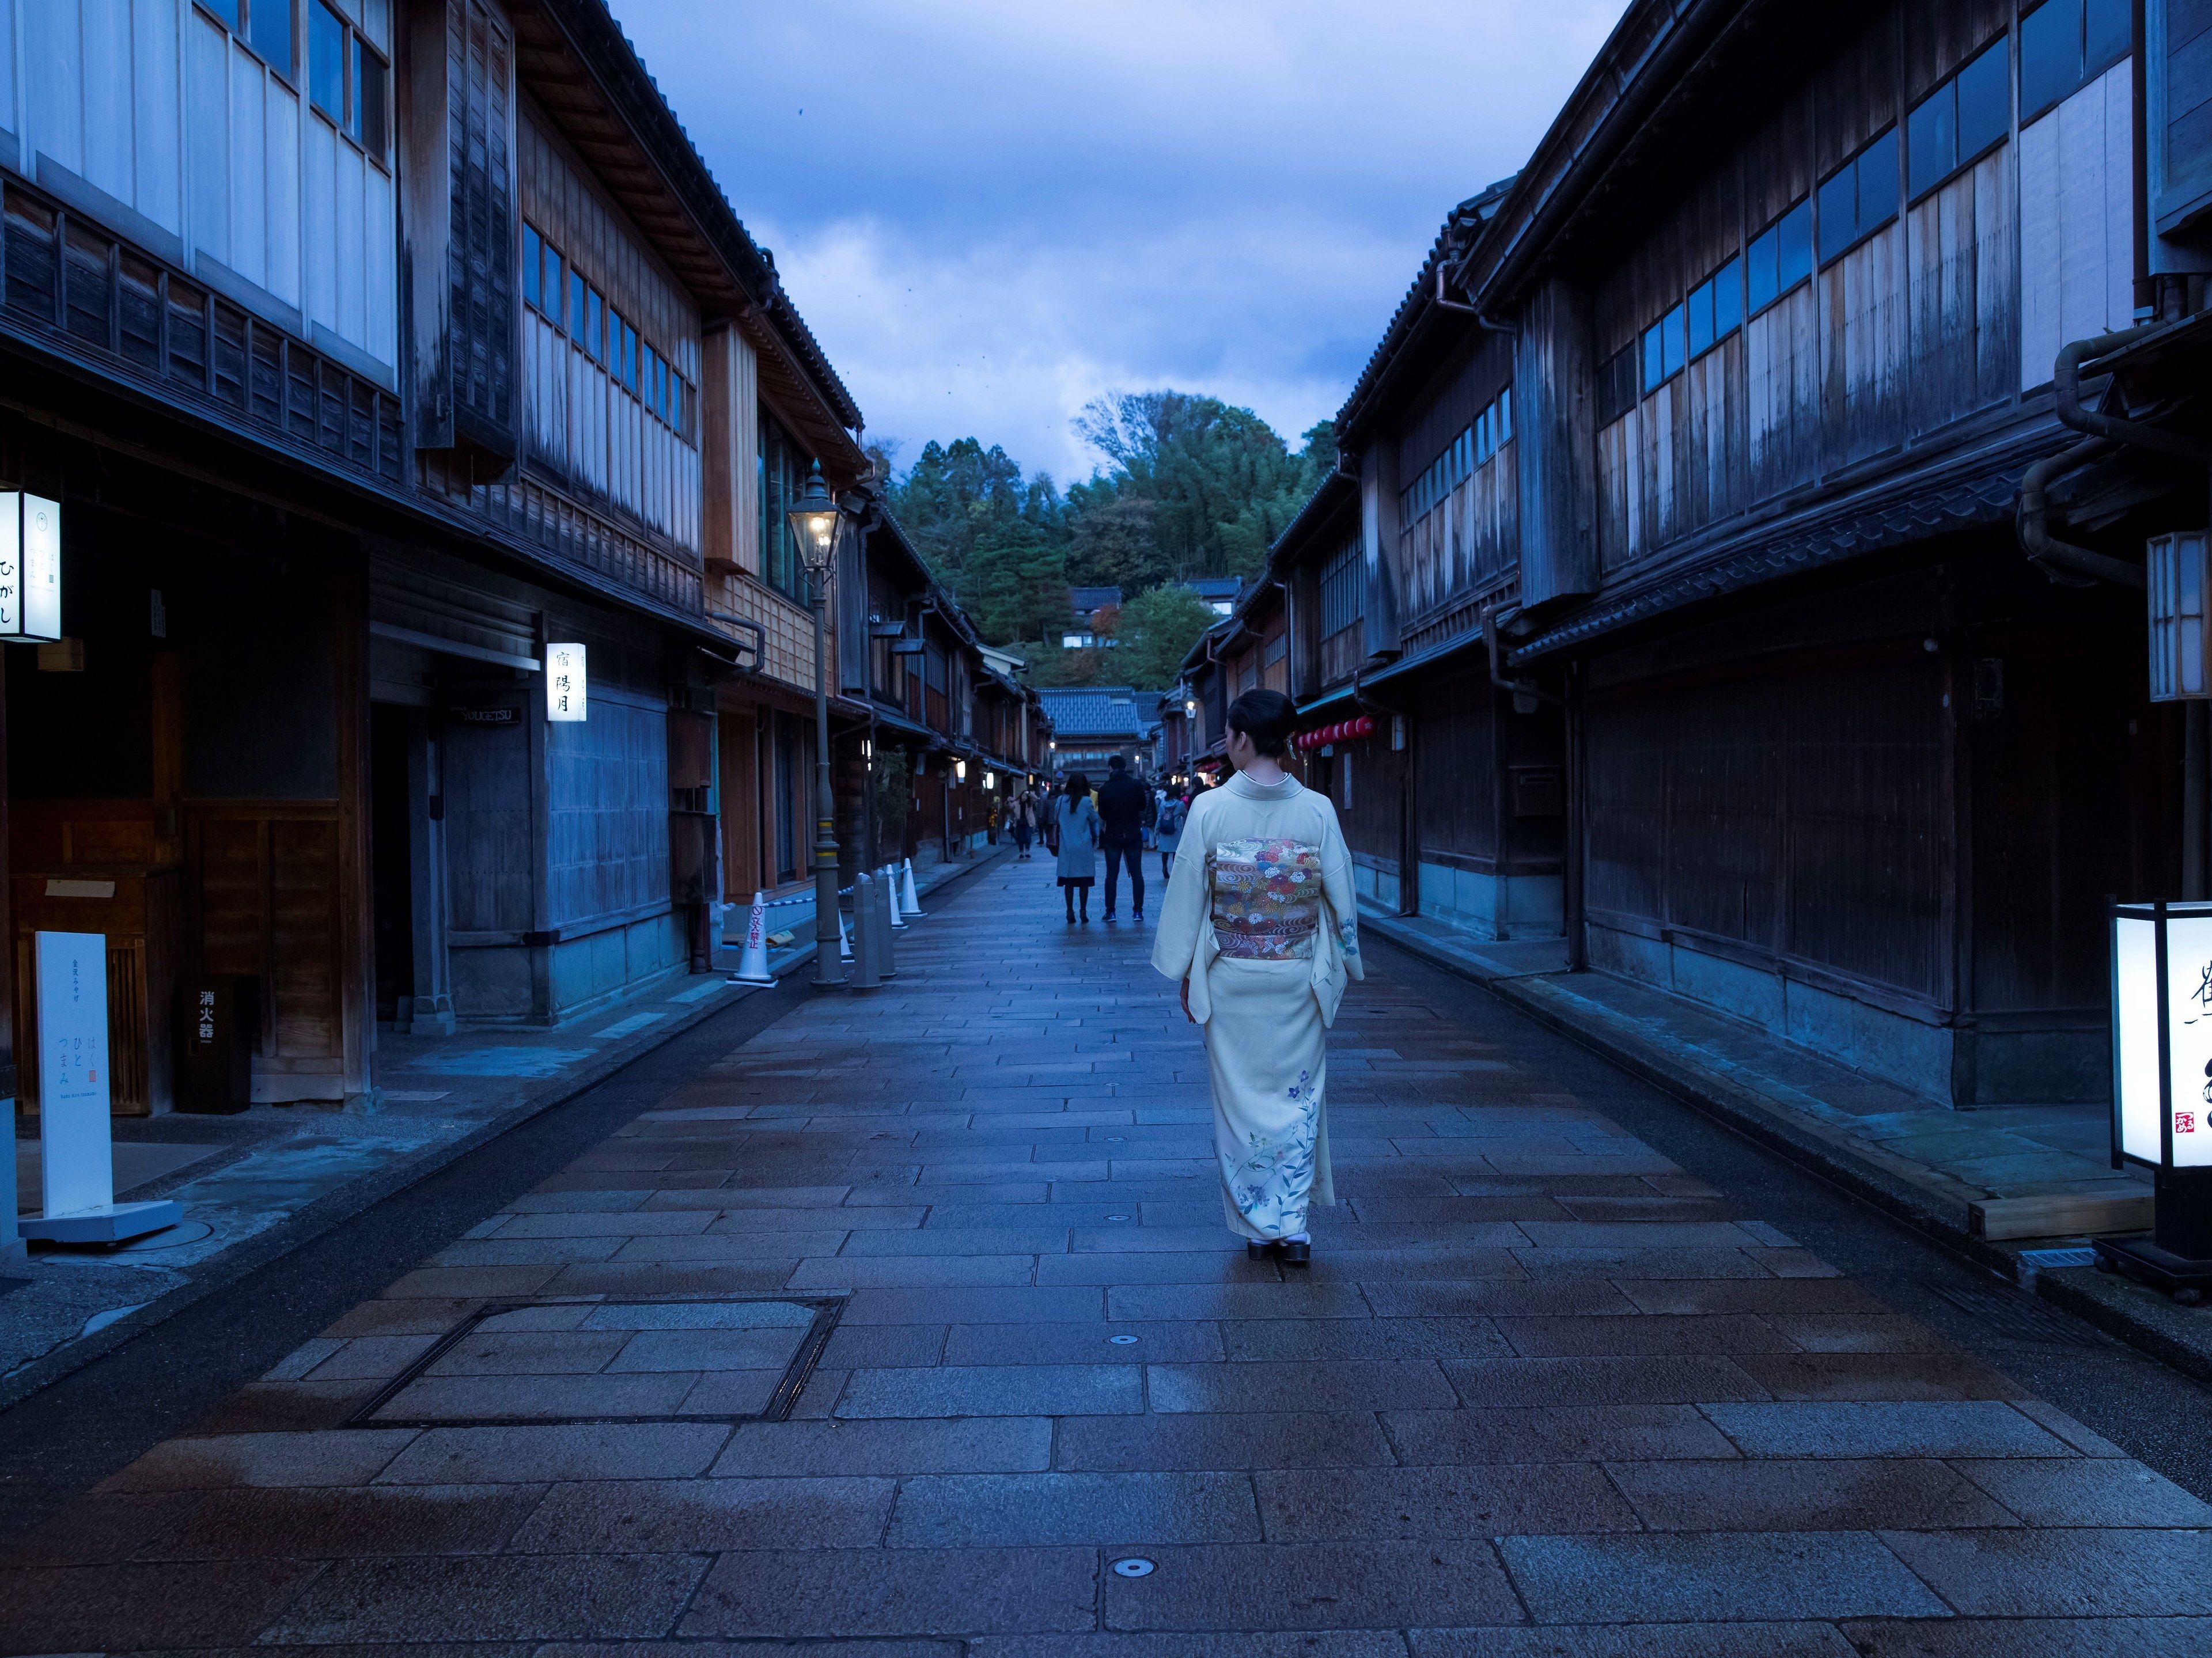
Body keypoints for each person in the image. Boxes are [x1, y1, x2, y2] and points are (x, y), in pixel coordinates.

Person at [1150, 689, 1361, 1265]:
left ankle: (1258, 1224)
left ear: (1242, 738)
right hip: (1298, 975)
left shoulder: (1211, 810)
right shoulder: (1316, 808)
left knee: (1240, 1105)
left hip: (1232, 973)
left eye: (1229, 735)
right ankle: (1292, 1227)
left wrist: (1185, 971)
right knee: (1299, 1099)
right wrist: (1346, 958)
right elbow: (1339, 896)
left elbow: (1189, 895)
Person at [1096, 754, 1150, 923]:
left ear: (1111, 768)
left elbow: (1103, 814)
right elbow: (1142, 806)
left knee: (1112, 875)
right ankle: (1138, 912)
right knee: (1137, 874)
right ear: (1125, 767)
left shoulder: (1105, 788)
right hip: (1133, 833)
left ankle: (1111, 912)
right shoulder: (1136, 785)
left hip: (1113, 834)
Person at [1055, 773, 1101, 923]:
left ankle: (1069, 912)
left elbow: (1056, 818)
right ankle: (1083, 912)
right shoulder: (1087, 801)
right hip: (1083, 847)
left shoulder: (1061, 801)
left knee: (1068, 883)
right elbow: (1095, 818)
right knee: (1083, 883)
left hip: (1066, 847)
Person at [1156, 788, 1184, 882]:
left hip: (1164, 829)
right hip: (1175, 831)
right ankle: (1174, 870)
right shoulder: (1180, 804)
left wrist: (1157, 830)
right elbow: (1186, 815)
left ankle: (1164, 867)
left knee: (1165, 851)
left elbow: (1160, 817)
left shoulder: (1163, 803)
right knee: (1175, 851)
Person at [1008, 788, 1036, 860]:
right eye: (1023, 795)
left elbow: (1036, 798)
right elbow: (1010, 806)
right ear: (1021, 796)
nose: (1024, 797)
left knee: (1027, 837)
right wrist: (1009, 800)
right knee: (1020, 838)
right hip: (1019, 822)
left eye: (1026, 796)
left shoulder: (1030, 803)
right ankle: (1021, 853)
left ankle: (1027, 851)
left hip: (1028, 822)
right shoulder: (1016, 803)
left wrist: (1029, 793)